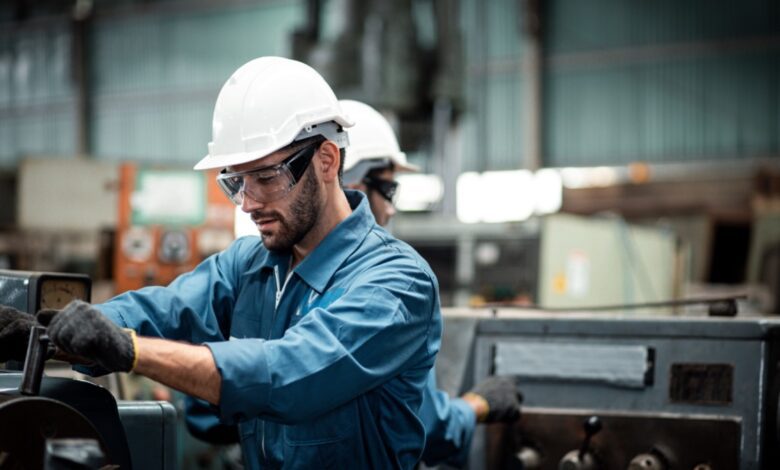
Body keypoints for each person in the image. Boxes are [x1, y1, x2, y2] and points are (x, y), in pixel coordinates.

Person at [0, 57, 443, 469]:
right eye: (236, 182)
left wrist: (130, 349)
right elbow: (163, 311)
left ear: (326, 160)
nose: (248, 203)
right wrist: (46, 333)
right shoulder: (251, 265)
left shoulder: (397, 284)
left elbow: (286, 374)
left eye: (266, 178)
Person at [340, 99, 522, 467]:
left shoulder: (274, 280)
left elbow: (207, 412)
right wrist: (477, 405)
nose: (390, 209)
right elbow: (425, 428)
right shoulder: (385, 293)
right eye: (388, 190)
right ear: (355, 185)